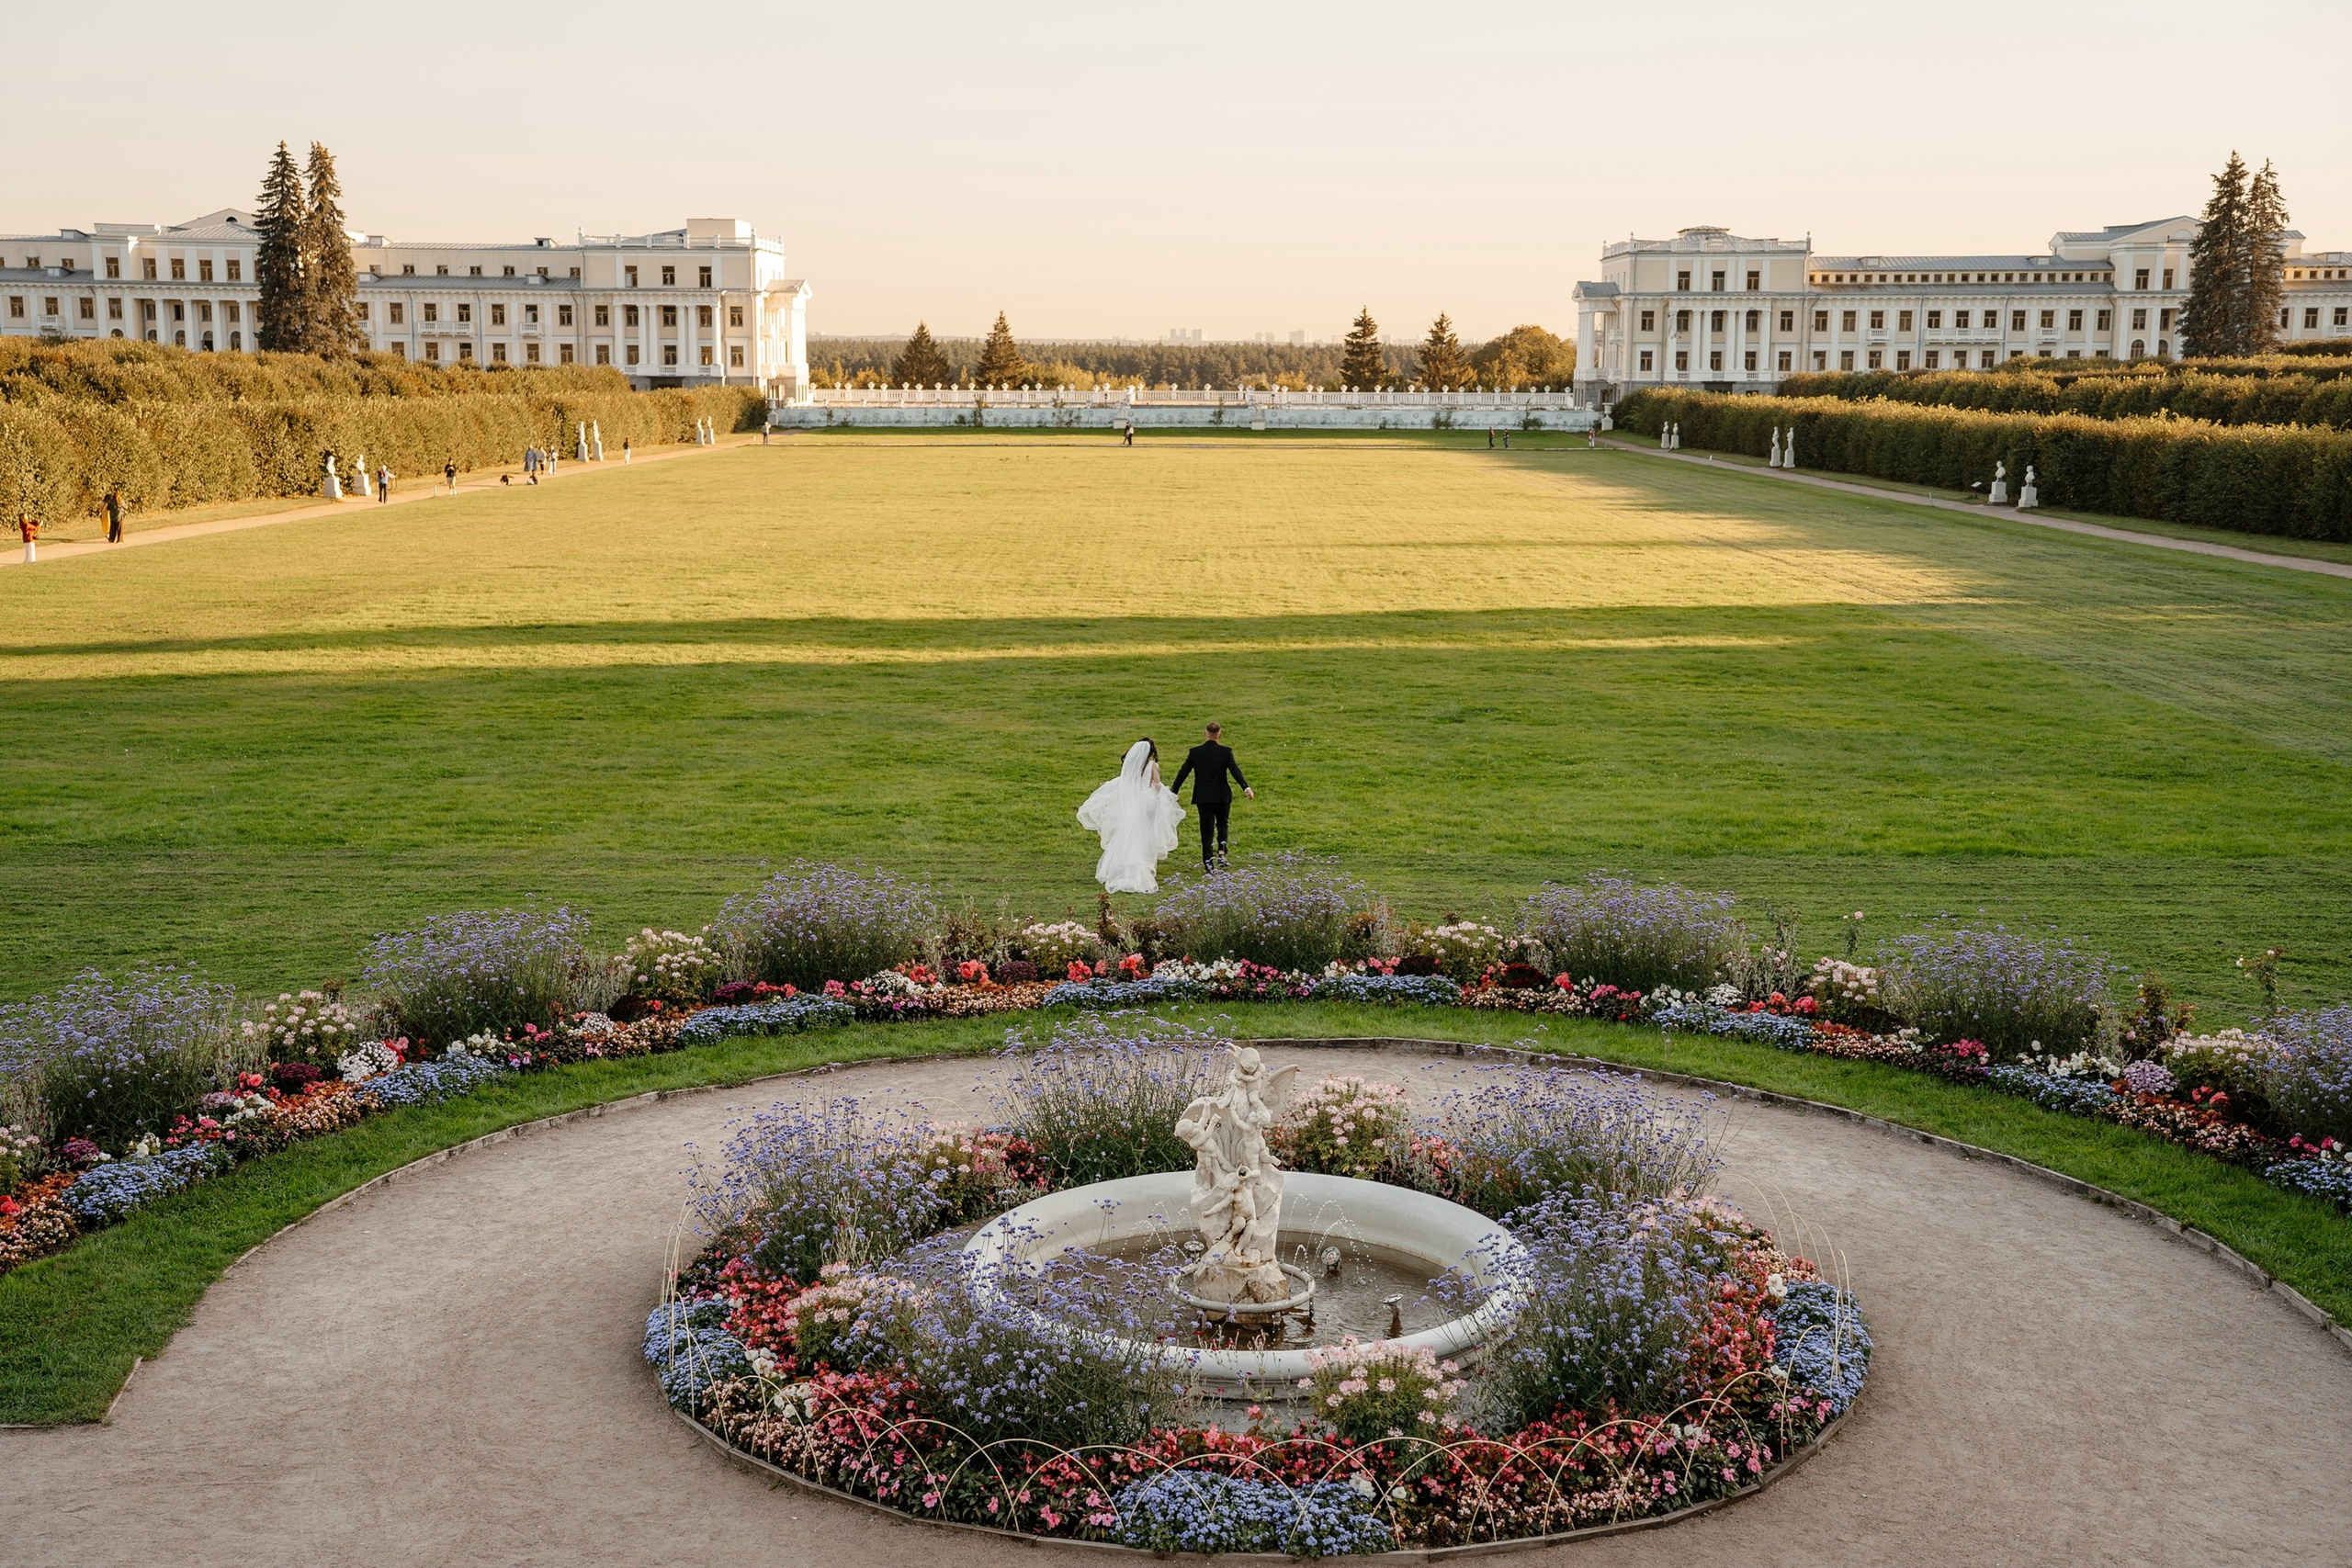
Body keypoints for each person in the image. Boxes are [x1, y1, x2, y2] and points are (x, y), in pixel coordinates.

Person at [1076, 739, 1184, 894]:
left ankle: (1125, 865)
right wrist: (1168, 796)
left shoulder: (1132, 766)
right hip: (1147, 801)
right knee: (1145, 833)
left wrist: (1108, 784)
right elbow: (1157, 784)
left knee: (1129, 833)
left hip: (1133, 801)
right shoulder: (1152, 765)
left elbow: (1124, 781)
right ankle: (1141, 867)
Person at [1171, 721, 1253, 871]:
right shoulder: (1226, 751)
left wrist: (1174, 791)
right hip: (1222, 795)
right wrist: (1246, 788)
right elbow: (1235, 770)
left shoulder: (1195, 752)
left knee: (1206, 829)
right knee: (1222, 825)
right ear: (1220, 735)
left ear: (1205, 734)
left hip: (1203, 797)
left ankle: (1208, 861)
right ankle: (1222, 855)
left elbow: (1183, 772)